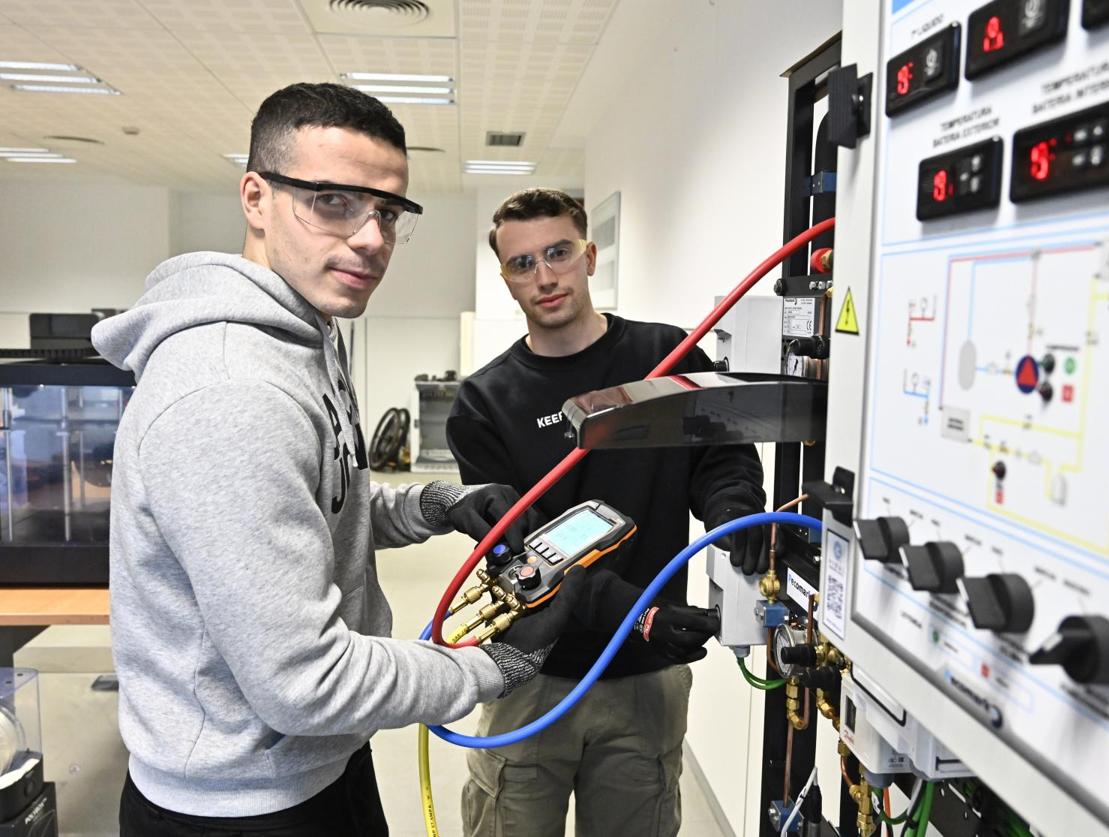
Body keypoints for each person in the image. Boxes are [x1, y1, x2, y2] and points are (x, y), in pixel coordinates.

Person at [92, 84, 584, 836]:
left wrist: (431, 505)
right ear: (256, 197)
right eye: (331, 202)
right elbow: (304, 679)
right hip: (242, 803)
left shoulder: (307, 333)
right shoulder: (230, 388)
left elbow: (315, 504)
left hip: (315, 766)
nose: (370, 238)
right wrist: (494, 668)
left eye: (387, 212)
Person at [447, 188, 769, 837]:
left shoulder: (667, 358)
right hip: (532, 673)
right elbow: (521, 551)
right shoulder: (484, 401)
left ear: (589, 256)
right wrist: (637, 612)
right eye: (522, 263)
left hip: (642, 686)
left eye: (558, 253)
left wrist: (734, 509)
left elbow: (720, 456)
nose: (544, 275)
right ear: (506, 278)